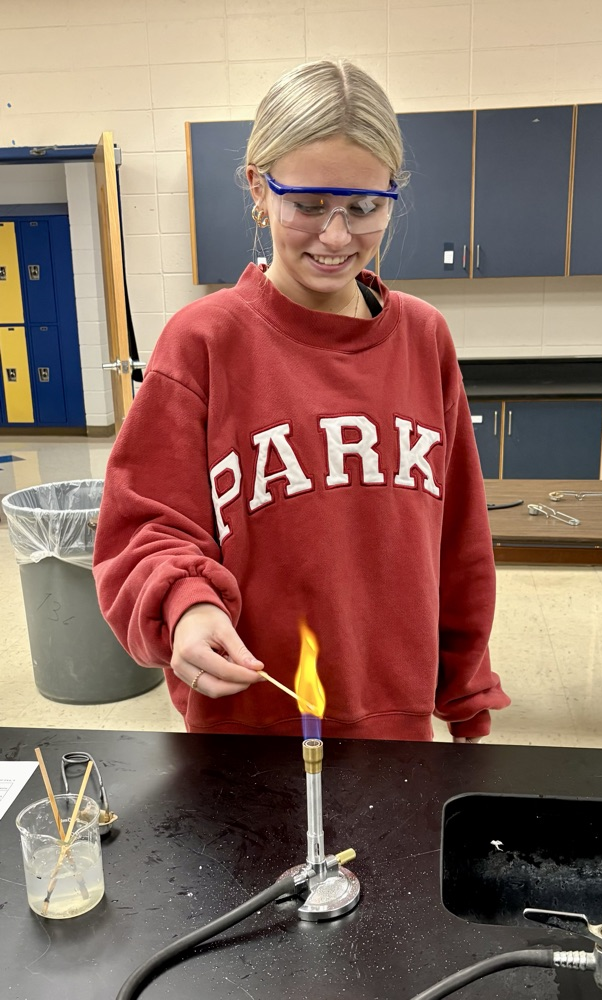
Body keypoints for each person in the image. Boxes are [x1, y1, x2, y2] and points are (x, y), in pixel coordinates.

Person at [93, 59, 510, 742]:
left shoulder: (423, 339)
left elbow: (460, 540)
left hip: (395, 732)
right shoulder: (203, 342)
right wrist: (186, 604)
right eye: (309, 205)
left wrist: (465, 695)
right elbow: (143, 528)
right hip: (248, 734)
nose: (337, 236)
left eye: (365, 208)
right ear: (259, 187)